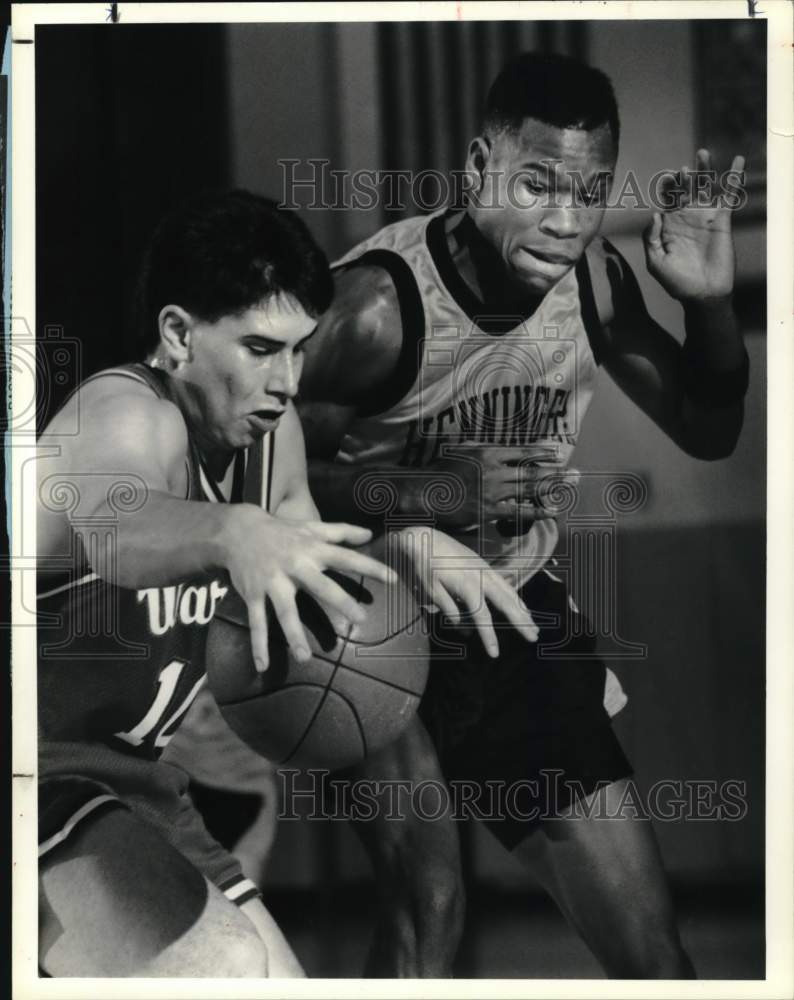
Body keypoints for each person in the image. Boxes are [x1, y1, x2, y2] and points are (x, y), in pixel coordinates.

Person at [297, 51, 749, 978]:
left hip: (503, 611)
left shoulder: (593, 282)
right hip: (361, 610)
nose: (566, 219)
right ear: (477, 169)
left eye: (588, 193)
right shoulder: (375, 309)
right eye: (538, 184)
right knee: (431, 907)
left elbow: (708, 429)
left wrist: (710, 307)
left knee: (654, 956)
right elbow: (261, 483)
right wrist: (430, 496)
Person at [36, 190, 402, 977]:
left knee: (280, 980)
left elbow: (312, 572)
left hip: (132, 783)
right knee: (221, 965)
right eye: (262, 348)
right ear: (177, 335)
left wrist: (417, 559)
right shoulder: (123, 414)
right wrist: (233, 530)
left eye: (300, 350)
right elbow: (114, 526)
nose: (288, 380)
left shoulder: (273, 442)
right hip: (33, 772)